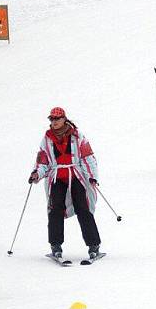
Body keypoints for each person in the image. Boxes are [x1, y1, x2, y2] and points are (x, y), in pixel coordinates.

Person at [29, 106, 103, 265]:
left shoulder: (77, 136)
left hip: (76, 176)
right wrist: (37, 173)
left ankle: (93, 245)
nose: (54, 122)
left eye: (57, 119)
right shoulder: (47, 138)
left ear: (64, 119)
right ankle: (55, 246)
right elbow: (43, 161)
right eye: (51, 119)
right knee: (55, 210)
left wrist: (92, 176)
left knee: (83, 208)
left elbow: (88, 156)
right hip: (57, 177)